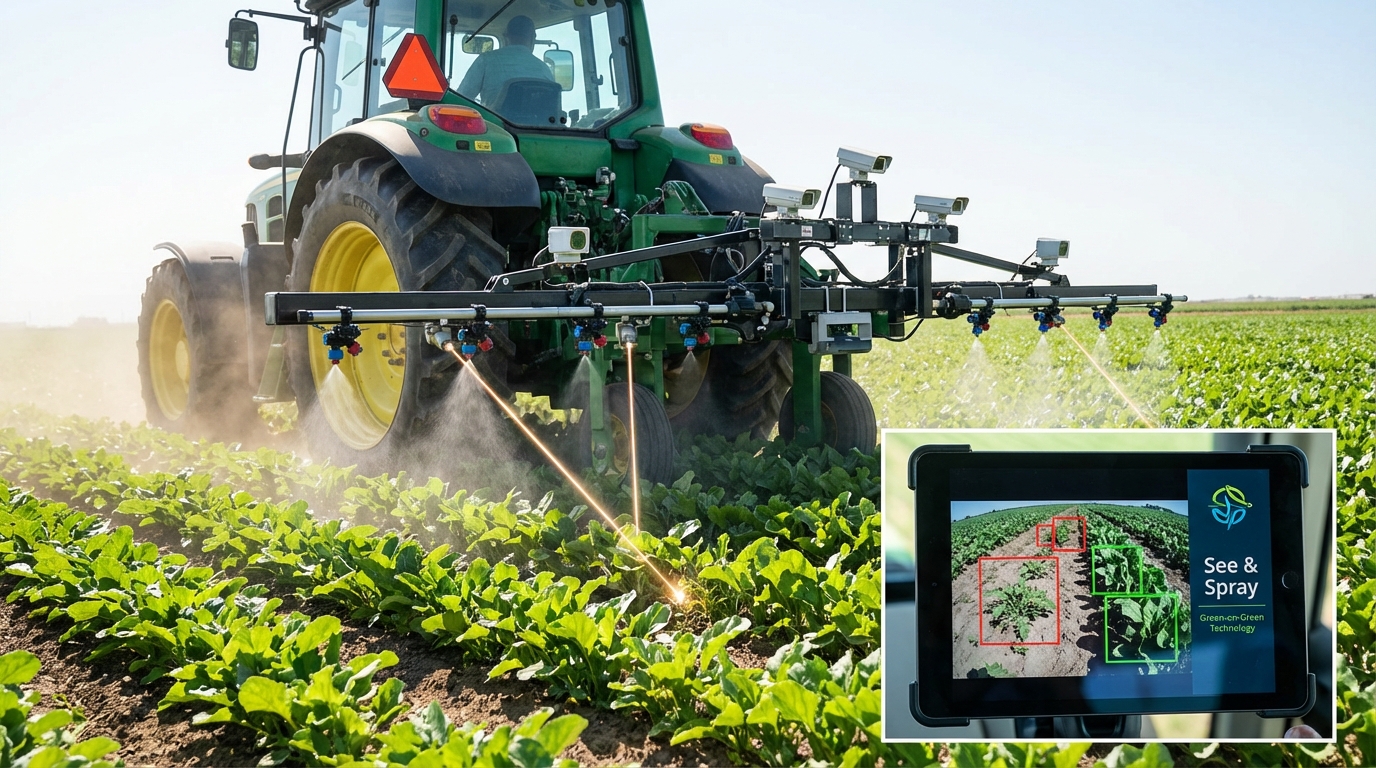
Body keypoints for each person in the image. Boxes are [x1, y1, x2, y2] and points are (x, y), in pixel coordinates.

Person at [456, 15, 554, 105]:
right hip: (535, 124)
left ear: (506, 36)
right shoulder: (545, 70)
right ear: (533, 37)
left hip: (494, 124)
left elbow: (462, 98)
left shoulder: (486, 60)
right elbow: (552, 107)